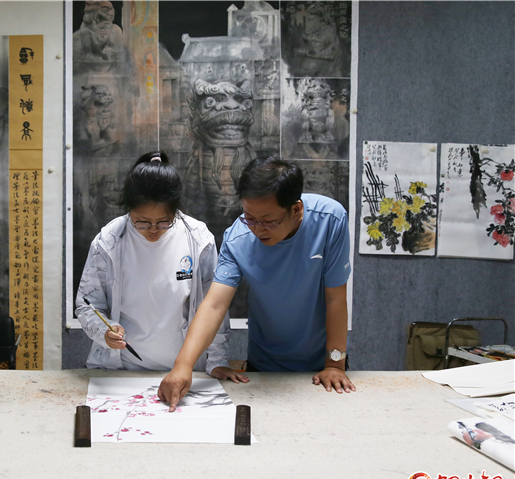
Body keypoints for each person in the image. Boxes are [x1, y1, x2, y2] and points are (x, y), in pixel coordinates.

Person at [159, 155, 354, 410]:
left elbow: (335, 298)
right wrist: (183, 365)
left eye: (268, 221)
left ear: (296, 209)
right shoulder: (237, 239)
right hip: (263, 367)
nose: (257, 229)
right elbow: (214, 305)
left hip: (322, 367)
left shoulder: (330, 220)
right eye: (249, 217)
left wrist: (335, 364)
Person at [76, 152, 246, 381]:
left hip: (185, 372)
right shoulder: (109, 241)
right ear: (129, 210)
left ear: (176, 210)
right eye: (142, 222)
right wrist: (104, 331)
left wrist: (217, 360)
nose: (153, 229)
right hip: (121, 371)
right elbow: (87, 305)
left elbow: (214, 306)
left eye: (164, 222)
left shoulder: (197, 239)